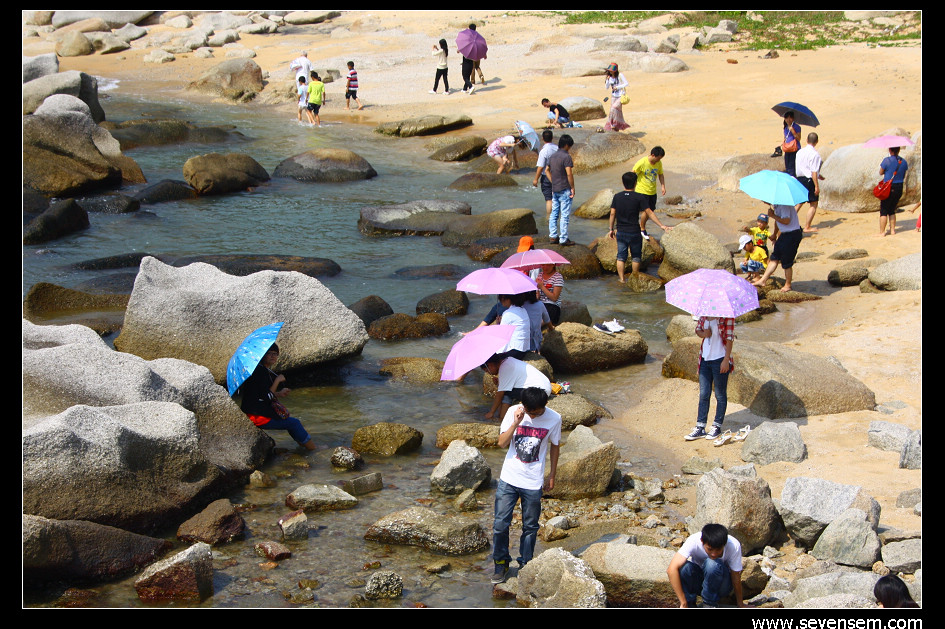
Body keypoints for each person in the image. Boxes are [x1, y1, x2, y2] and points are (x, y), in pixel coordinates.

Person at [491, 386, 561, 584]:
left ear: (545, 406)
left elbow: (555, 446)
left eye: (536, 413)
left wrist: (552, 475)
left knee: (530, 526)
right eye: (530, 412)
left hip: (533, 481)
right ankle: (501, 563)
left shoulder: (554, 418)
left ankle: (525, 564)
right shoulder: (514, 412)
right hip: (509, 478)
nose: (532, 416)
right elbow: (501, 443)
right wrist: (516, 422)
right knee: (500, 525)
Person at [239, 343, 316, 451]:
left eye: (275, 354)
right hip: (256, 416)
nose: (273, 356)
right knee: (294, 423)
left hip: (253, 413)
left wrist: (279, 393)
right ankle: (314, 450)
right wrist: (277, 380)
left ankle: (304, 446)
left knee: (290, 422)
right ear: (263, 355)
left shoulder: (259, 370)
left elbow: (261, 394)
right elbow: (267, 396)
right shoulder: (260, 372)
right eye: (269, 353)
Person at [608, 171, 672, 283]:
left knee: (621, 256)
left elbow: (612, 213)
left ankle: (622, 280)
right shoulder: (639, 197)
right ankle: (634, 279)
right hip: (634, 231)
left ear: (623, 183)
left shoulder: (617, 197)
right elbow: (649, 212)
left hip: (621, 231)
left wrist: (611, 229)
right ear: (635, 183)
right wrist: (661, 225)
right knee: (636, 256)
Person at [667, 523, 748, 608]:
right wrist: (683, 602)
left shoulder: (734, 545)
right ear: (702, 541)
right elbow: (671, 570)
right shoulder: (693, 540)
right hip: (700, 583)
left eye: (718, 550)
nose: (714, 554)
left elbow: (735, 576)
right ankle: (689, 604)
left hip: (721, 585)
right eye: (710, 549)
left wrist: (740, 604)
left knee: (712, 563)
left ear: (724, 544)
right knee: (684, 567)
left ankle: (709, 604)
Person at [683, 315, 734, 442]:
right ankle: (700, 427)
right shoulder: (704, 315)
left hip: (720, 358)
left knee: (720, 394)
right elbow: (698, 330)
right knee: (704, 394)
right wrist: (704, 334)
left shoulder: (726, 317)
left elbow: (729, 338)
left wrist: (726, 360)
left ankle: (717, 426)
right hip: (704, 359)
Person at [481, 354, 552, 421]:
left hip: (539, 391)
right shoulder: (509, 360)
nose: (488, 373)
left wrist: (491, 412)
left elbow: (500, 394)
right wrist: (499, 384)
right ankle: (500, 415)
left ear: (490, 365)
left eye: (486, 370)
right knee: (505, 390)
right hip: (543, 387)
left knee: (505, 393)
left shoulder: (505, 368)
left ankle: (502, 418)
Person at [752, 202, 803, 292]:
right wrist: (774, 234)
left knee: (786, 261)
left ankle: (788, 285)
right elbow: (778, 222)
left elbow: (786, 220)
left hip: (792, 234)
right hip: (784, 234)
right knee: (774, 258)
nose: (764, 201)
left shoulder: (784, 205)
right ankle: (763, 280)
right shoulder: (777, 205)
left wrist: (772, 215)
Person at [545, 134, 575, 245]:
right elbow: (569, 174)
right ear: (566, 145)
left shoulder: (553, 156)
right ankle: (563, 238)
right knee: (564, 215)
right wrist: (572, 187)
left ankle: (553, 236)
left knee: (554, 213)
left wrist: (553, 181)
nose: (569, 149)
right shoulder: (566, 157)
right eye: (569, 146)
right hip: (564, 188)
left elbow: (546, 170)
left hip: (555, 188)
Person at [632, 146, 667, 240]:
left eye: (660, 159)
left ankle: (641, 227)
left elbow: (660, 174)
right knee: (647, 210)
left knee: (651, 210)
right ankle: (642, 229)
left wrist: (663, 186)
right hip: (641, 191)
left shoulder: (658, 163)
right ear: (653, 155)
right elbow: (632, 174)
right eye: (658, 158)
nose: (659, 160)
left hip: (652, 191)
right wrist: (632, 188)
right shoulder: (642, 162)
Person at [795, 132, 824, 233]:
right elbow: (813, 171)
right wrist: (816, 186)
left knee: (799, 203)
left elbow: (802, 168)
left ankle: (789, 222)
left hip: (799, 179)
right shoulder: (815, 154)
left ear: (807, 140)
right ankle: (807, 226)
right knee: (813, 203)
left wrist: (818, 175)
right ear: (816, 142)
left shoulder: (799, 152)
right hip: (809, 179)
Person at [878, 146, 909, 237]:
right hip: (899, 187)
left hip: (889, 187)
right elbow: (903, 175)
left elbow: (880, 172)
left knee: (884, 210)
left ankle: (882, 232)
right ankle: (892, 230)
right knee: (892, 209)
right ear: (899, 150)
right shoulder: (904, 161)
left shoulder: (886, 160)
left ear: (890, 150)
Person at [532, 129, 558, 220]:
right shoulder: (557, 148)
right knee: (556, 197)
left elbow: (540, 167)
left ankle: (548, 218)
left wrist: (535, 179)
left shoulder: (544, 151)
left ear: (543, 138)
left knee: (549, 199)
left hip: (546, 176)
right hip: (557, 175)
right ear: (552, 138)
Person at [498, 293, 531, 360]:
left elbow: (502, 335)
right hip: (523, 349)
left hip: (514, 351)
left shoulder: (508, 313)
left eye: (502, 299)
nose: (501, 301)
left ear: (508, 300)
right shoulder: (523, 310)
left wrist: (498, 324)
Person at [603, 63, 630, 132]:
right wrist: (607, 80)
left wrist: (617, 87)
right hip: (613, 96)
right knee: (615, 112)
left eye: (612, 71)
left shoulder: (620, 75)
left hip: (620, 96)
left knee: (614, 108)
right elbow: (606, 87)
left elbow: (626, 83)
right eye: (610, 70)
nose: (610, 72)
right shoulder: (609, 77)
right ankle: (615, 126)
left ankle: (614, 124)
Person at [781, 111, 801, 177]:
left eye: (790, 118)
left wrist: (793, 131)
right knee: (787, 168)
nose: (788, 120)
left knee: (792, 168)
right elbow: (785, 138)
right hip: (787, 149)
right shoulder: (785, 127)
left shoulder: (797, 127)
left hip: (794, 149)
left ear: (793, 118)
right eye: (786, 118)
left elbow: (799, 138)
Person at [459, 24, 478, 94]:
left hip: (466, 59)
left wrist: (460, 49)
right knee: (468, 75)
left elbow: (464, 46)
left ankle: (471, 86)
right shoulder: (476, 39)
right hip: (471, 60)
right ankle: (464, 89)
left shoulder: (468, 38)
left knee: (465, 76)